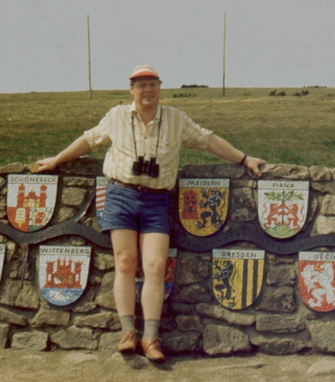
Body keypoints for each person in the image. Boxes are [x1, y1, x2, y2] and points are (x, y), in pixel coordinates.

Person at [34, 64, 265, 364]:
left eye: (152, 84)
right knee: (126, 262)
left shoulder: (176, 119)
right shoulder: (116, 116)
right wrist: (56, 159)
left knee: (156, 266)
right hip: (120, 195)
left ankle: (151, 338)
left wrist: (245, 159)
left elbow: (208, 140)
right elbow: (89, 141)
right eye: (140, 85)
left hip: (156, 200)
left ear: (160, 87)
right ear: (131, 90)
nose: (147, 90)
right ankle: (128, 332)